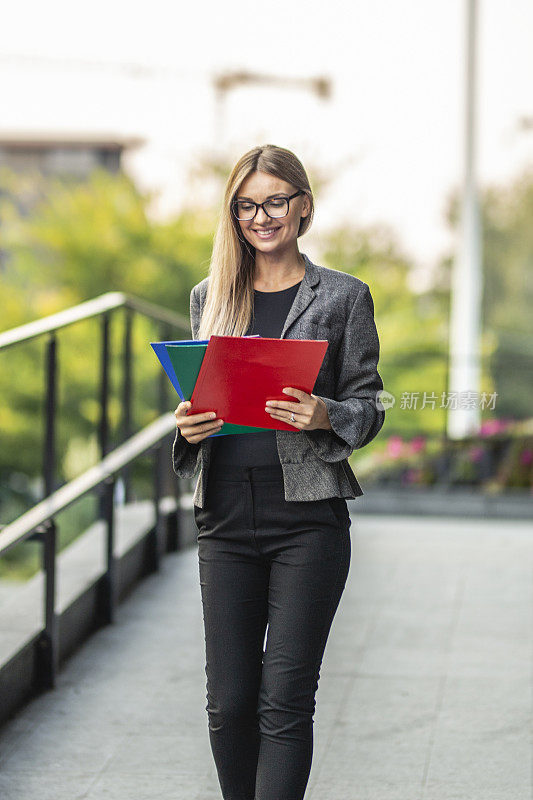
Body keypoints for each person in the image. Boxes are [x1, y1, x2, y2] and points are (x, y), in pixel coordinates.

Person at [173, 143, 385, 800]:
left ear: (302, 206)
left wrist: (327, 415)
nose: (259, 216)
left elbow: (370, 401)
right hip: (225, 513)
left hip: (308, 518)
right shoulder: (210, 295)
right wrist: (187, 427)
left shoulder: (343, 295)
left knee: (284, 701)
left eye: (271, 201)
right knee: (228, 702)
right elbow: (197, 397)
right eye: (244, 205)